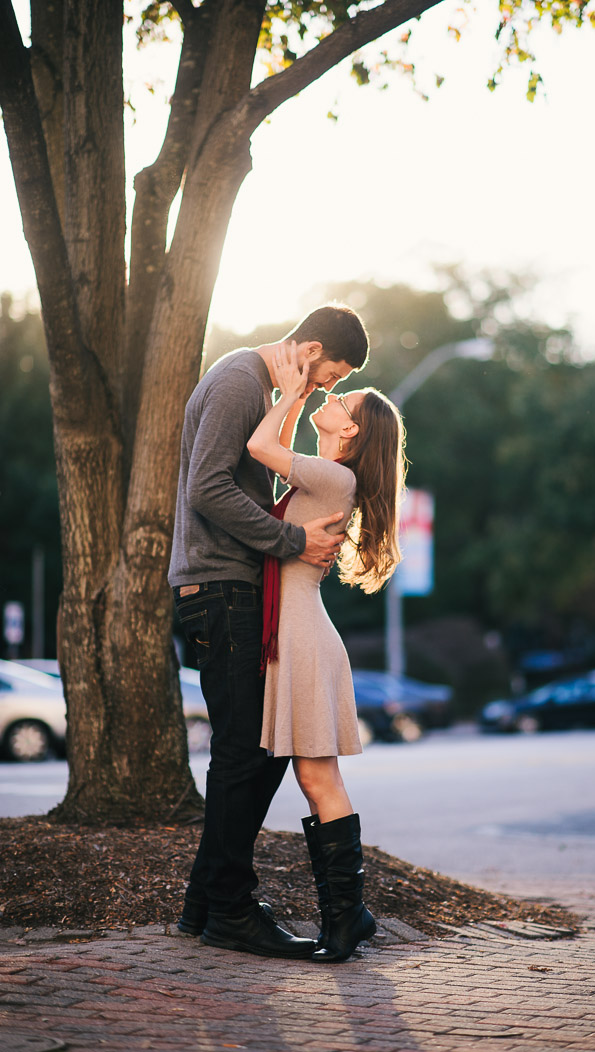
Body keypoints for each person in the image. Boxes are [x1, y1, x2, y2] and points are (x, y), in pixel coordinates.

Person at [168, 305, 369, 960]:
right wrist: (289, 540)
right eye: (329, 375)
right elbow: (207, 488)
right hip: (221, 586)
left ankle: (207, 903)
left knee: (249, 749)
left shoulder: (266, 392)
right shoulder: (239, 381)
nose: (326, 390)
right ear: (309, 349)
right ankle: (228, 907)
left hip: (232, 586)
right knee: (247, 752)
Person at [246, 342, 406, 962]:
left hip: (305, 641)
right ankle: (348, 915)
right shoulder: (327, 473)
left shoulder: (334, 475)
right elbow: (275, 456)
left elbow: (261, 451)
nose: (333, 397)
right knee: (312, 776)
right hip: (297, 636)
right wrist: (299, 400)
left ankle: (347, 918)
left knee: (317, 776)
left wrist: (290, 394)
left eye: (345, 399)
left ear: (354, 430)